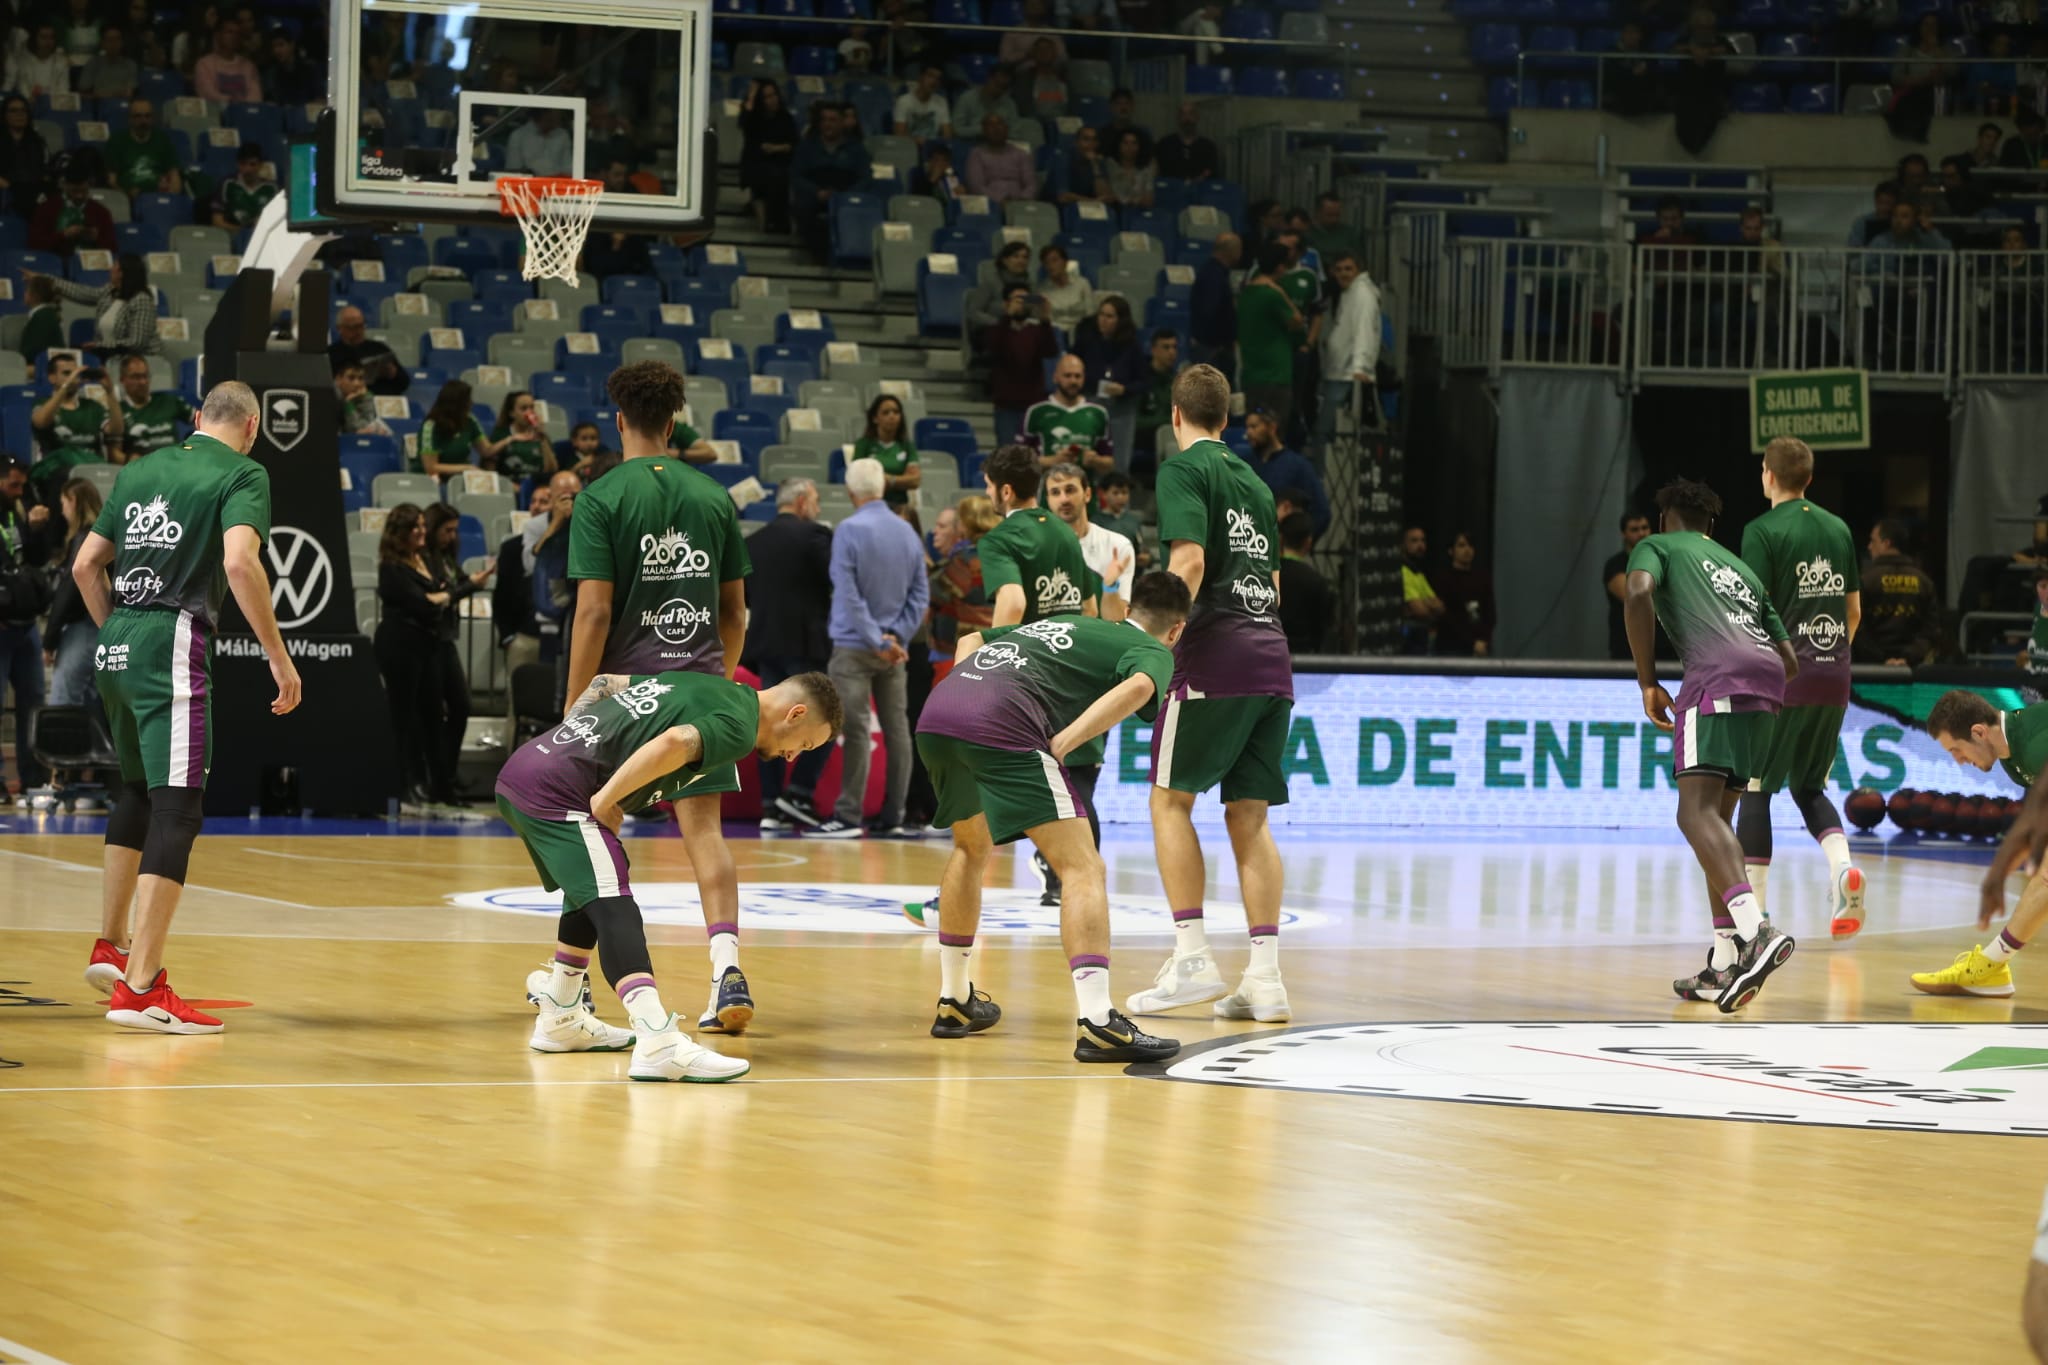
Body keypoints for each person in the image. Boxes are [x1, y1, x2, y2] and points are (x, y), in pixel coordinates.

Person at [71, 381, 301, 1031]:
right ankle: (141, 987)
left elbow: (87, 565)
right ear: (252, 426)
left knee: (137, 792)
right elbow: (238, 562)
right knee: (178, 806)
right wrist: (278, 658)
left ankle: (111, 944)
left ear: (198, 418)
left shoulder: (139, 468)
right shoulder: (243, 471)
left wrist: (117, 633)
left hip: (115, 639)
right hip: (173, 637)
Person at [498, 669, 839, 1080]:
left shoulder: (710, 685)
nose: (792, 757)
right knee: (613, 902)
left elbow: (607, 682)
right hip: (555, 791)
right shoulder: (740, 727)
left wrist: (566, 746)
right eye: (802, 745)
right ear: (796, 713)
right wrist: (607, 797)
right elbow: (675, 742)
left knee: (596, 878)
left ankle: (562, 1012)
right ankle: (657, 1039)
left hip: (532, 768)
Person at [916, 574, 1190, 1063]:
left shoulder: (1072, 623)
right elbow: (1139, 688)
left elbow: (970, 640)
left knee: (970, 848)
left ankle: (955, 999)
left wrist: (965, 693)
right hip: (1003, 719)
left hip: (940, 714)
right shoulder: (1158, 650)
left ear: (1126, 607)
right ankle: (1099, 1020)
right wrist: (1064, 742)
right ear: (1176, 630)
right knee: (1083, 868)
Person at [561, 361, 758, 1034]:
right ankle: (726, 965)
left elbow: (592, 614)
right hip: (700, 687)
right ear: (675, 422)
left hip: (626, 694)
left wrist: (574, 705)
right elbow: (736, 613)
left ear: (620, 421)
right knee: (705, 832)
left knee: (599, 828)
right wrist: (714, 678)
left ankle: (573, 984)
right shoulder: (713, 495)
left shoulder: (600, 495)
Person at [1127, 364, 1295, 1023]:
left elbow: (1190, 561)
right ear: (1226, 418)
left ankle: (1192, 954)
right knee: (1249, 816)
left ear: (1176, 416)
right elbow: (1275, 586)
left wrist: (1157, 633)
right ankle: (1266, 978)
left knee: (1170, 800)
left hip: (1214, 651)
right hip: (1271, 652)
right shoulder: (1256, 481)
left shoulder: (1182, 469)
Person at [1624, 478, 1798, 1012]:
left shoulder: (1657, 547)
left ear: (1662, 521)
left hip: (1715, 680)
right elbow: (1789, 659)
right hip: (1769, 688)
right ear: (1712, 527)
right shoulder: (1741, 568)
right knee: (1716, 828)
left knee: (1693, 815)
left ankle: (1757, 932)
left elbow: (1636, 591)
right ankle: (1724, 964)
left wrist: (1648, 681)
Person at [1731, 439, 1867, 939]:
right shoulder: (1838, 529)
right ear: (1808, 477)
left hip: (1780, 677)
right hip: (1835, 676)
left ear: (1768, 475)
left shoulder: (1760, 532)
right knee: (1809, 786)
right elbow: (1852, 613)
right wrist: (1828, 659)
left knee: (1756, 788)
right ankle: (1841, 869)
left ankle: (1756, 920)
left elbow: (1752, 616)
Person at [813, 458, 929, 839]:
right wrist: (895, 636)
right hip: (895, 650)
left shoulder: (848, 529)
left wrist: (875, 637)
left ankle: (848, 815)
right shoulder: (907, 531)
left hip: (854, 646)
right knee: (898, 731)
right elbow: (920, 593)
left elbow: (847, 593)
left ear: (850, 493)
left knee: (857, 730)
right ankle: (893, 814)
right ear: (882, 488)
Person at [1911, 690, 2048, 997]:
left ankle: (1990, 966)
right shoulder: (2012, 756)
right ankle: (1991, 966)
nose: (1959, 761)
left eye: (1956, 750)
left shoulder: (2036, 747)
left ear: (1979, 732)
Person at [743, 478, 835, 832]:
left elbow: (745, 596)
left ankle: (770, 805)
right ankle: (798, 793)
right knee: (826, 719)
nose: (818, 507)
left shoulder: (752, 543)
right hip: (807, 645)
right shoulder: (814, 535)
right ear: (800, 501)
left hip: (765, 645)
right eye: (815, 500)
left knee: (769, 721)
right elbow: (836, 581)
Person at [374, 504, 463, 806]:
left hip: (427, 646)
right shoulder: (391, 567)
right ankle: (403, 787)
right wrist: (437, 598)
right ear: (400, 533)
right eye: (415, 527)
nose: (422, 531)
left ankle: (437, 787)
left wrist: (438, 596)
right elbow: (421, 604)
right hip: (399, 646)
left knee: (432, 717)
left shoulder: (422, 560)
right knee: (404, 718)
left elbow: (438, 595)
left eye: (423, 525)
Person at [0, 457, 55, 800]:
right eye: (13, 485)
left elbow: (34, 560)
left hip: (25, 626)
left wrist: (36, 530)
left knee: (33, 704)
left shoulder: (15, 513)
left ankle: (32, 780)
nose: (20, 492)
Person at [42, 475, 105, 715]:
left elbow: (68, 592)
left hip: (84, 626)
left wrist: (50, 640)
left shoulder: (84, 540)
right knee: (93, 704)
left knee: (63, 702)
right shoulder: (104, 537)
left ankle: (63, 753)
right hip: (103, 626)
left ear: (74, 501)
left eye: (64, 503)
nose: (63, 511)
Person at [33, 254, 159, 363]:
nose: (110, 269)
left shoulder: (142, 300)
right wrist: (46, 280)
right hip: (110, 360)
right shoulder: (109, 291)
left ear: (122, 273)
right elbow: (82, 293)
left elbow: (137, 342)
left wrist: (101, 346)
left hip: (137, 362)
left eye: (114, 265)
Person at [1237, 242, 1306, 432]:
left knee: (1253, 431)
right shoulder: (1272, 295)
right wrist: (1281, 292)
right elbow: (1298, 323)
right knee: (1274, 433)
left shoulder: (1245, 293)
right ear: (1280, 267)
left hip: (1251, 375)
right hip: (1275, 376)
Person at [789, 103, 871, 262]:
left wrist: (845, 196)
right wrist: (816, 192)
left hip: (846, 199)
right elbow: (796, 176)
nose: (828, 124)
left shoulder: (856, 148)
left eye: (833, 120)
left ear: (842, 122)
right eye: (824, 120)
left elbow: (866, 178)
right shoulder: (807, 147)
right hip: (814, 198)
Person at [30, 352, 124, 492]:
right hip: (58, 472)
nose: (73, 378)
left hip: (93, 468)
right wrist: (65, 387)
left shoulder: (93, 406)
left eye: (75, 373)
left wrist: (109, 392)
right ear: (52, 377)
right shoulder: (42, 405)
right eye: (67, 373)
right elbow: (41, 421)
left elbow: (117, 430)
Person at [1854, 519, 1942, 665]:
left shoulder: (1865, 580)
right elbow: (1931, 631)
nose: (1869, 547)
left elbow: (1857, 626)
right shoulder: (1924, 582)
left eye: (1873, 541)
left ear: (1886, 543)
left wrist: (1881, 659)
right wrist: (1907, 658)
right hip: (1911, 670)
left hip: (1870, 670)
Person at [981, 283, 1057, 447]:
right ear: (1006, 303)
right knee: (1008, 454)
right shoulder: (996, 330)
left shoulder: (1037, 331)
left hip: (1034, 404)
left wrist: (1045, 319)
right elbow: (993, 347)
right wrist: (1008, 317)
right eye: (1017, 300)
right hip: (1006, 405)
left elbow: (1051, 351)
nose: (1022, 304)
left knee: (1035, 454)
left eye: (1026, 300)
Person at [1319, 252, 1380, 455]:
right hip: (1339, 371)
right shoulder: (1349, 293)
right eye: (1339, 269)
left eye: (1348, 269)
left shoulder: (1362, 294)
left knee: (1328, 431)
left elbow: (1365, 331)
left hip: (1348, 375)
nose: (1343, 274)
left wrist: (1360, 367)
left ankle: (1325, 477)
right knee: (1332, 431)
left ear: (1359, 270)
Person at [1023, 354, 1114, 476]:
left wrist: (1095, 461)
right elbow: (1020, 463)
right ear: (1055, 377)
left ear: (1084, 378)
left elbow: (1110, 463)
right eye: (1067, 376)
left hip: (1086, 491)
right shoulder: (1037, 412)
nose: (1073, 381)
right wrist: (1052, 461)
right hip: (1048, 491)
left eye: (1077, 376)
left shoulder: (1098, 413)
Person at [1244, 407, 1329, 537]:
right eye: (1247, 427)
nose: (1248, 433)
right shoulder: (1244, 462)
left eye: (1254, 427)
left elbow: (1321, 512)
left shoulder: (1297, 466)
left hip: (1279, 546)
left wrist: (1297, 543)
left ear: (1272, 428)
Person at [738, 78, 797, 235]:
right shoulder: (755, 120)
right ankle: (767, 223)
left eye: (773, 95)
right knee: (762, 172)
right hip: (758, 162)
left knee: (779, 174)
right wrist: (750, 97)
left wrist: (777, 148)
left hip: (781, 161)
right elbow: (745, 124)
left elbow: (794, 143)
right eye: (766, 97)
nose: (772, 100)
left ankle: (777, 222)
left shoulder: (786, 118)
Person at [417, 380, 511, 477]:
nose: (471, 402)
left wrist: (509, 439)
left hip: (462, 477)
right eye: (468, 399)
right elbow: (431, 467)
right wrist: (466, 468)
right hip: (434, 480)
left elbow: (486, 450)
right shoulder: (430, 426)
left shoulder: (470, 420)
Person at [29, 167, 118, 259]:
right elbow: (35, 244)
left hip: (91, 262)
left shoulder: (101, 212)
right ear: (65, 186)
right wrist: (63, 235)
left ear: (89, 187)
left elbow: (113, 249)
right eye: (74, 191)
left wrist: (96, 238)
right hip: (55, 260)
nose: (79, 196)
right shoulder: (47, 209)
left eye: (83, 191)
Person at [852, 392, 919, 510]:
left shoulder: (907, 446)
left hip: (900, 507)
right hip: (871, 507)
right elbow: (858, 479)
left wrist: (889, 480)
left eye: (896, 412)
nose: (892, 416)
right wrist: (901, 481)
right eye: (886, 413)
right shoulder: (863, 445)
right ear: (875, 418)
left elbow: (915, 480)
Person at [118, 354, 192, 460]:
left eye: (145, 376)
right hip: (143, 469)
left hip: (175, 465)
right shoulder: (119, 411)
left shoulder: (168, 401)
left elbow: (205, 421)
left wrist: (194, 447)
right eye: (136, 377)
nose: (143, 382)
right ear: (122, 380)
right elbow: (114, 453)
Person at [1433, 531, 1494, 658]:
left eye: (1470, 546)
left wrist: (1483, 641)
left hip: (1480, 647)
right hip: (1451, 648)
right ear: (1451, 551)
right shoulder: (1443, 579)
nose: (1467, 550)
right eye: (1462, 545)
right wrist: (1471, 643)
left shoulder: (1482, 578)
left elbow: (1490, 613)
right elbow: (1445, 616)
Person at [1277, 512, 1331, 654]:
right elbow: (1321, 629)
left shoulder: (1267, 575)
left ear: (1281, 539)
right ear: (1308, 542)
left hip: (1270, 651)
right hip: (1304, 657)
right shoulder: (1316, 581)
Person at [104, 99, 180, 199]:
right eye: (138, 116)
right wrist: (126, 194)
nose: (143, 121)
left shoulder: (162, 139)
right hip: (127, 198)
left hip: (158, 197)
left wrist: (171, 196)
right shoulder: (117, 140)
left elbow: (174, 175)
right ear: (130, 119)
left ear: (153, 118)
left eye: (147, 116)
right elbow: (111, 181)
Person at [1604, 510, 1654, 660]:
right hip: (1627, 649)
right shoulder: (1616, 564)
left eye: (1645, 528)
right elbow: (1633, 597)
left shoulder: (1659, 562)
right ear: (1623, 533)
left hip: (1661, 649)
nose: (1641, 533)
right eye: (1634, 529)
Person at [1190, 232, 1241, 375]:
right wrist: (1219, 343)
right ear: (1232, 251)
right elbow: (1209, 311)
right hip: (1213, 349)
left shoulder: (1212, 272)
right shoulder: (1213, 276)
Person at [328, 306, 408, 396]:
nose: (358, 331)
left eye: (361, 326)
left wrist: (393, 373)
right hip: (345, 402)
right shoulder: (331, 353)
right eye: (353, 327)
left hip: (380, 398)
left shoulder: (379, 348)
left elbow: (404, 382)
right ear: (340, 328)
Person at [965, 239, 1035, 340]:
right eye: (1015, 256)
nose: (1021, 261)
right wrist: (999, 323)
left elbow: (1034, 311)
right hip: (991, 331)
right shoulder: (990, 282)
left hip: (1022, 331)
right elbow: (974, 312)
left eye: (1025, 257)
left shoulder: (1031, 285)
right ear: (1005, 260)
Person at [1132, 328, 1180, 468]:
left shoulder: (1178, 381)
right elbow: (1133, 420)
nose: (1172, 352)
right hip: (1144, 436)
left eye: (1174, 347)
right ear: (1153, 350)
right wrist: (1164, 421)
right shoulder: (1139, 380)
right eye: (1166, 347)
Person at [964, 113, 1034, 204]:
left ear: (1006, 128)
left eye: (1000, 124)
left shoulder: (1021, 154)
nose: (996, 128)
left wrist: (1023, 199)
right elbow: (976, 186)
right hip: (991, 205)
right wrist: (999, 200)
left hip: (1020, 204)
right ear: (984, 130)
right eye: (991, 125)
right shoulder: (977, 154)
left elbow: (1031, 184)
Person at [490, 390, 556, 485]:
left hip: (536, 487)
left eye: (532, 408)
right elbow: (490, 469)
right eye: (523, 408)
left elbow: (551, 469)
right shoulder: (500, 434)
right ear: (511, 413)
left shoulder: (542, 437)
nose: (529, 413)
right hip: (511, 486)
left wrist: (542, 438)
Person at [0, 95, 49, 217]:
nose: (20, 114)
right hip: (8, 188)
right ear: (4, 115)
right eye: (13, 110)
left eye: (23, 110)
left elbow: (42, 172)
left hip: (32, 189)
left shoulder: (37, 142)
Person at [191, 17, 261, 102]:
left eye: (238, 33)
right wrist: (232, 101)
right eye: (229, 32)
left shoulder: (249, 66)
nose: (234, 37)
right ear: (217, 35)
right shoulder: (204, 64)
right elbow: (208, 94)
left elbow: (255, 96)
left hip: (244, 113)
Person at [210, 143, 276, 229]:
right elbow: (217, 221)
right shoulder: (227, 184)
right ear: (237, 164)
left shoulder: (272, 188)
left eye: (252, 164)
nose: (247, 169)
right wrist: (243, 232)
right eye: (243, 164)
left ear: (261, 165)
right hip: (232, 236)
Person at [1399, 524, 1443, 653]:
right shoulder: (1403, 572)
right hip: (1410, 639)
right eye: (1414, 541)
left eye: (1423, 540)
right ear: (1403, 545)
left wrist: (1427, 606)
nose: (1420, 545)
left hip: (1423, 639)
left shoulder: (1418, 573)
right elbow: (1420, 610)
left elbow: (1440, 607)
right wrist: (1429, 606)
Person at [1091, 470, 1146, 567]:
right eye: (1115, 493)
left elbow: (1141, 547)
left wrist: (1146, 557)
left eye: (1124, 492)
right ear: (1103, 494)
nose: (1120, 497)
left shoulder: (1133, 520)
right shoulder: (1096, 521)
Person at [1155, 101, 1218, 181]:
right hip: (1170, 190)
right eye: (1183, 114)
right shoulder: (1164, 144)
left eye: (1191, 114)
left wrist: (1193, 184)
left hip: (1200, 190)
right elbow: (1156, 170)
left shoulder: (1208, 146)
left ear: (1197, 117)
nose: (1187, 118)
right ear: (1178, 118)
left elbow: (1210, 171)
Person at [4, 22, 69, 99]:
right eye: (43, 37)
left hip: (54, 106)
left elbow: (64, 91)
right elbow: (23, 89)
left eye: (51, 37)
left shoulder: (61, 62)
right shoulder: (23, 61)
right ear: (34, 39)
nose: (48, 41)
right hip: (29, 105)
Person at [1038, 243, 1093, 332]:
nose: (1051, 266)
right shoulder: (1042, 290)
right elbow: (1044, 319)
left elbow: (1090, 313)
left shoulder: (1082, 284)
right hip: (1055, 332)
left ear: (1065, 262)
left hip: (1080, 330)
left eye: (1054, 260)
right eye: (1046, 262)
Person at [1097, 129, 1156, 211]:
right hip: (1113, 210)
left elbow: (1148, 200)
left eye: (1134, 143)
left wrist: (1122, 199)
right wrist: (1133, 199)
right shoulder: (1109, 165)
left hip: (1139, 213)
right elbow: (1105, 196)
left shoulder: (1146, 168)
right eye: (1125, 143)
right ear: (1118, 145)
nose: (1129, 147)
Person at [893, 63, 952, 141]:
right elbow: (899, 135)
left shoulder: (941, 102)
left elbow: (947, 135)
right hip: (910, 148)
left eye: (938, 78)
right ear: (920, 77)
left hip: (932, 149)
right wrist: (917, 141)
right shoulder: (903, 101)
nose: (934, 81)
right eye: (930, 76)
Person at [952, 66, 1018, 135]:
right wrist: (984, 130)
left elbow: (1014, 131)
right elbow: (956, 129)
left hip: (1000, 143)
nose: (999, 90)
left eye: (1004, 87)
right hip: (971, 142)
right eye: (997, 84)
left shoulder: (1009, 103)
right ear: (989, 79)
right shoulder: (967, 98)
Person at [334, 362, 391, 438]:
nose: (357, 383)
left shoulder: (365, 396)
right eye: (351, 378)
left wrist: (350, 404)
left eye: (360, 378)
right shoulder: (330, 398)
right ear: (338, 380)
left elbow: (364, 428)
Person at [1057, 124, 1108, 205]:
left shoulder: (1098, 162)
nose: (1091, 144)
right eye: (1086, 139)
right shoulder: (1064, 159)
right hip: (1059, 209)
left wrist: (1095, 166)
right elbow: (1063, 197)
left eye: (1094, 140)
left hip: (1088, 209)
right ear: (1077, 142)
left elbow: (1103, 195)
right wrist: (1093, 202)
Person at [1020, 38, 1069, 119]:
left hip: (1063, 122)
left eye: (1048, 49)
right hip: (1033, 123)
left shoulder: (1066, 78)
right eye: (1040, 49)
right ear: (1033, 53)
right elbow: (1023, 108)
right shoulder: (1023, 79)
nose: (1044, 52)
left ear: (1055, 53)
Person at [16, 274, 60, 361]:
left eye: (26, 290)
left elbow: (33, 350)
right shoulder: (45, 314)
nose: (24, 294)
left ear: (34, 295)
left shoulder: (43, 317)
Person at [1847, 182, 1900, 248]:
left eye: (1888, 203)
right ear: (1875, 201)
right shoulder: (1862, 222)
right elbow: (1853, 249)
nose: (1883, 207)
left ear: (1896, 203)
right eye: (1880, 202)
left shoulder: (1899, 223)